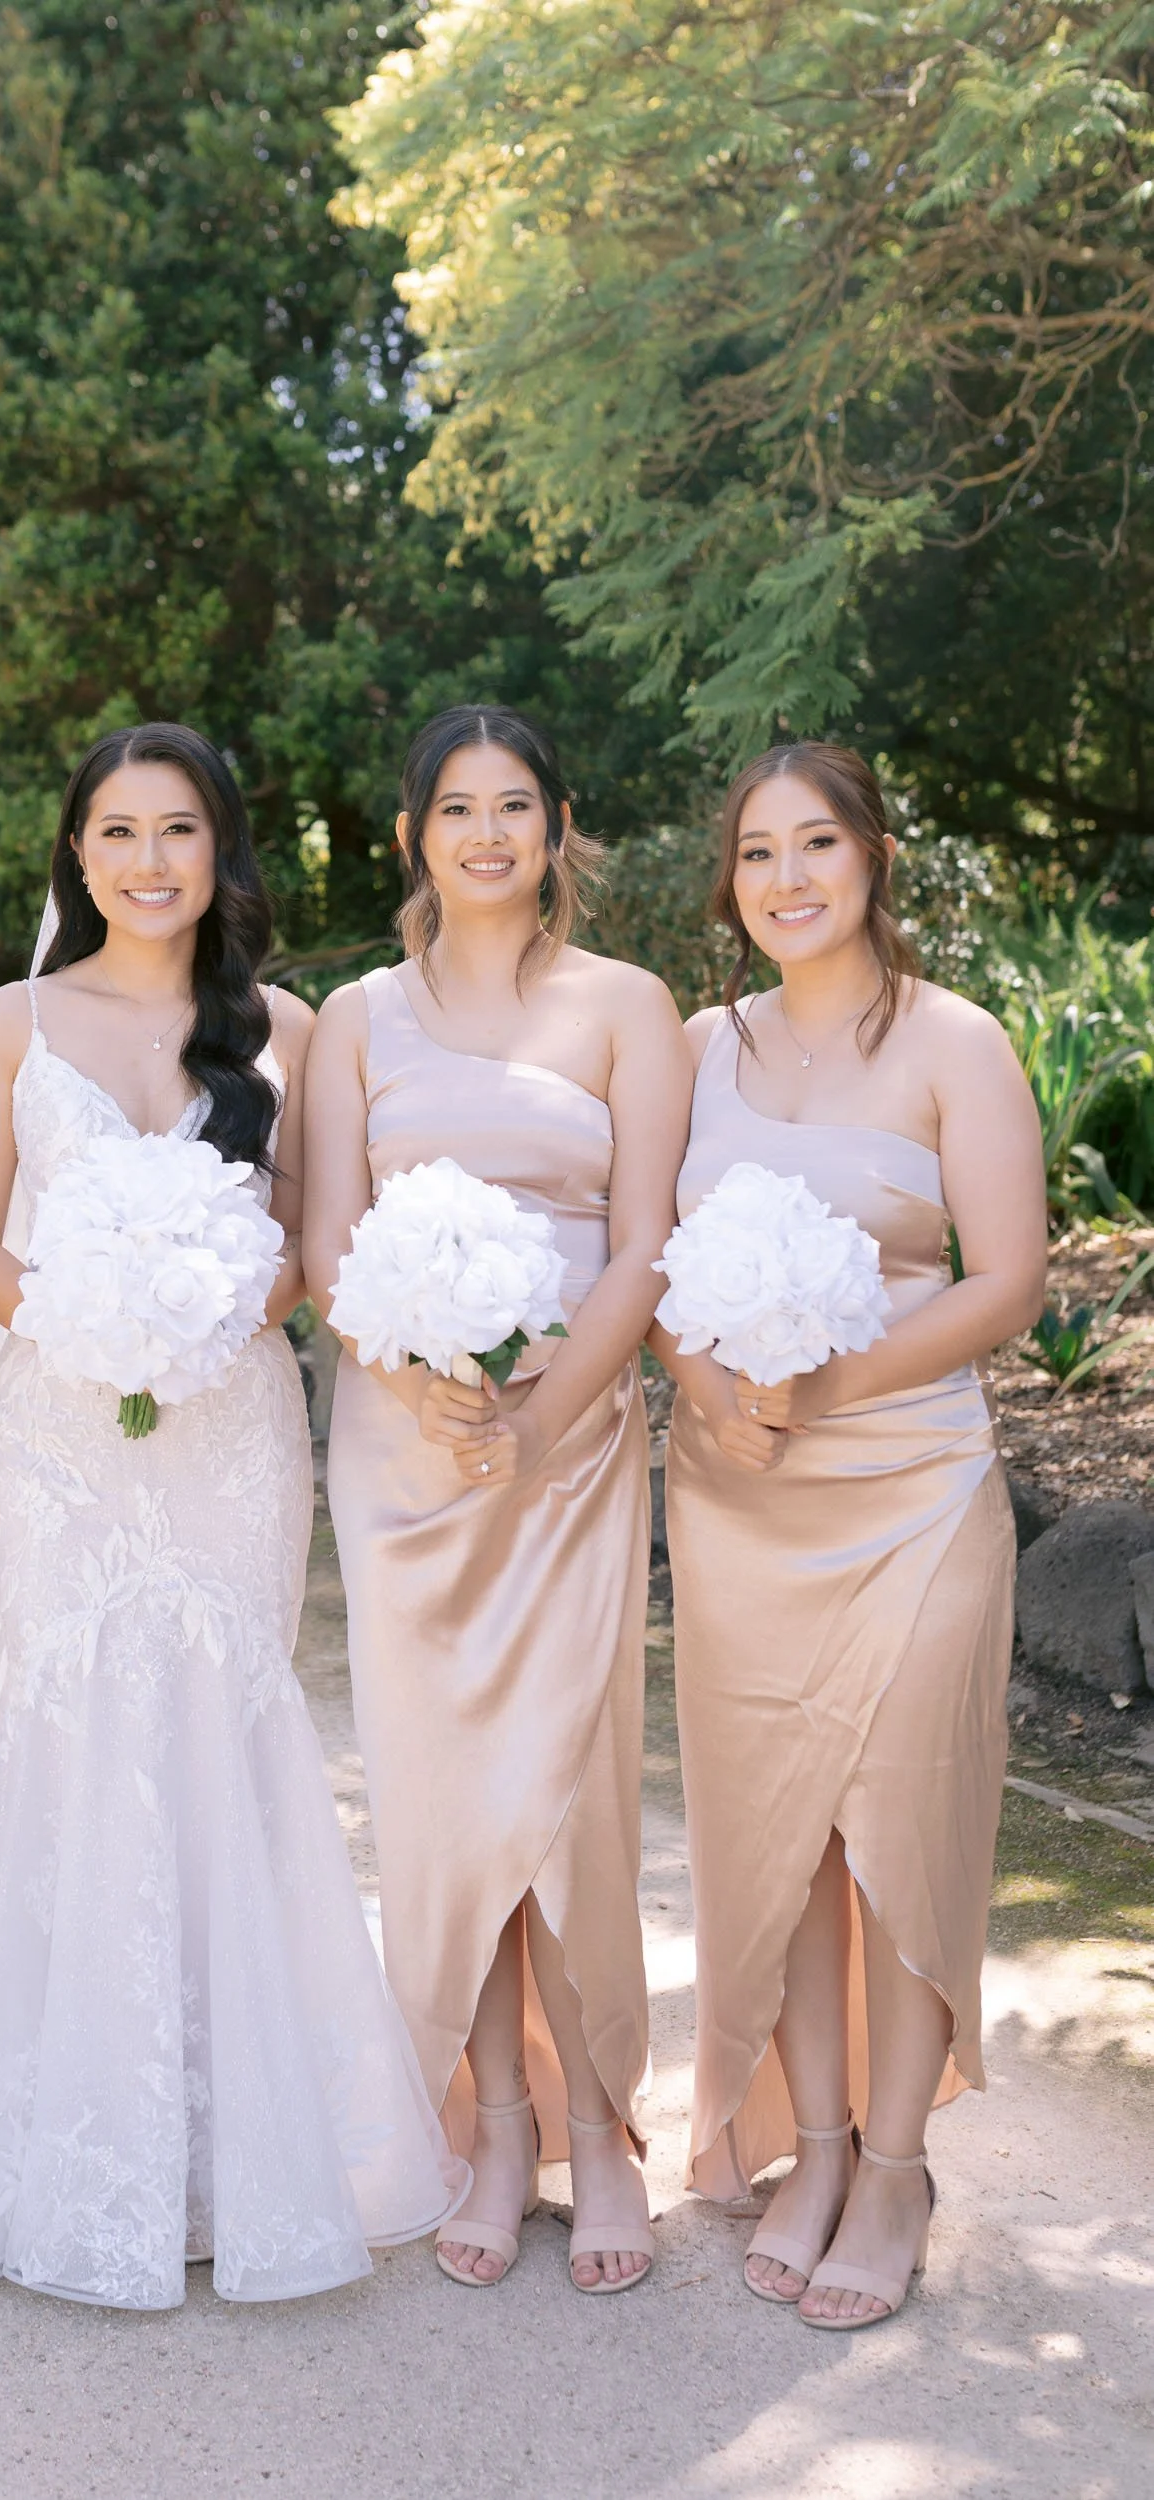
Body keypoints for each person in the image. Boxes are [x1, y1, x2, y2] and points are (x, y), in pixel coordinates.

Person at [0, 721, 466, 2309]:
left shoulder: (285, 1029)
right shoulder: (9, 1020)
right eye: (116, 831)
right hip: (65, 1421)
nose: (146, 861)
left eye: (176, 830)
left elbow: (308, 1240)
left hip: (229, 1424)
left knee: (223, 1717)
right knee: (75, 1723)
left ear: (220, 849)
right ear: (76, 851)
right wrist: (85, 1322)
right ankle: (59, 2148)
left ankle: (237, 2149)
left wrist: (200, 1322)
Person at [654, 741, 1046, 2330]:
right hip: (736, 1492)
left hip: (912, 1487)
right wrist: (706, 1381)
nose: (787, 878)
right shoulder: (696, 1049)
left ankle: (893, 2168)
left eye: (815, 843)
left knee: (901, 1830)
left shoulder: (958, 1041)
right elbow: (646, 1262)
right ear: (730, 881)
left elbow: (1005, 1281)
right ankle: (809, 2150)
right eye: (756, 853)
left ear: (873, 854)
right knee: (782, 1836)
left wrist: (825, 1382)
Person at [305, 705, 691, 2293]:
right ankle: (490, 2127)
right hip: (404, 1455)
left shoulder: (627, 1005)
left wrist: (538, 1419)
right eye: (454, 808)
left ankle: (600, 2133)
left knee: (570, 1795)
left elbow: (646, 1239)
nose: (484, 834)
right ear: (413, 835)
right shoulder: (355, 1017)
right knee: (441, 1802)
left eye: (512, 805)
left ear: (555, 826)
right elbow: (329, 1241)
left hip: (570, 1447)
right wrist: (425, 1391)